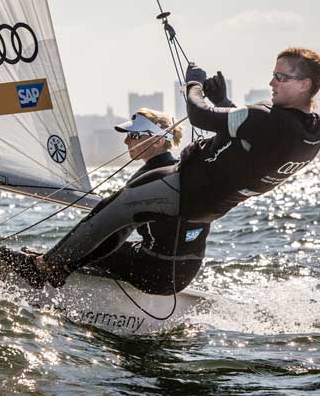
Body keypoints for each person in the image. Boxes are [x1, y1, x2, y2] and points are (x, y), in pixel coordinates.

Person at [7, 47, 320, 290]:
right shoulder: (312, 130)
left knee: (115, 211)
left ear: (306, 84)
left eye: (282, 77)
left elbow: (199, 115)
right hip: (208, 202)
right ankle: (64, 263)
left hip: (189, 191)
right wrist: (225, 104)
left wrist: (192, 85)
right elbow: (251, 139)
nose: (272, 81)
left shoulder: (268, 119)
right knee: (123, 212)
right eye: (274, 73)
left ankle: (47, 268)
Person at [51, 108, 210, 295]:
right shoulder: (183, 173)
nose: (126, 141)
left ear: (158, 141)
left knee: (95, 246)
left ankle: (50, 270)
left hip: (155, 274)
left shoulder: (146, 180)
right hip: (186, 273)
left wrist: (66, 264)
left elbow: (115, 234)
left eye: (134, 135)